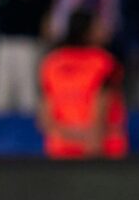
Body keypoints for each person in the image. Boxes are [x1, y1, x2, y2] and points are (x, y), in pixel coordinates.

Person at [39, 10, 127, 159]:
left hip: (61, 148)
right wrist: (94, 140)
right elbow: (101, 104)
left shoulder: (52, 62)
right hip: (100, 148)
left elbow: (45, 110)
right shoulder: (104, 62)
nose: (105, 29)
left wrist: (62, 134)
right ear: (88, 31)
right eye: (99, 25)